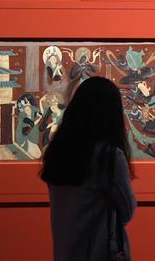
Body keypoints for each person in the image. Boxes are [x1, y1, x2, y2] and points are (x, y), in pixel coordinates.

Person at [41, 76, 136, 261]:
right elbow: (126, 210)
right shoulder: (108, 156)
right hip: (98, 252)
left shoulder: (59, 152)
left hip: (65, 252)